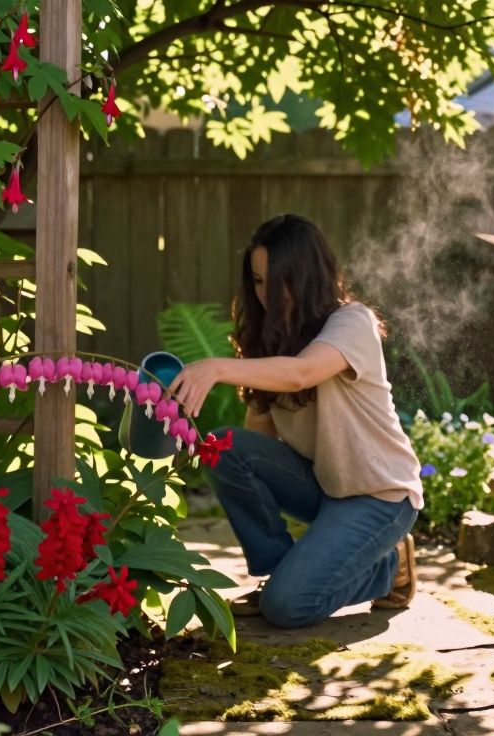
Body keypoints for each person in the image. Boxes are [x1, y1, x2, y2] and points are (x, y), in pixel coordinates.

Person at [167, 213, 423, 629]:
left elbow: (302, 372)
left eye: (278, 279)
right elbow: (257, 449)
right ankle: (279, 571)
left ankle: (388, 566)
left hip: (381, 497)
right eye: (257, 280)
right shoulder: (272, 339)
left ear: (307, 275)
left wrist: (216, 368)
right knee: (223, 446)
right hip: (326, 487)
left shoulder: (352, 322)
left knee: (287, 608)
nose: (266, 293)